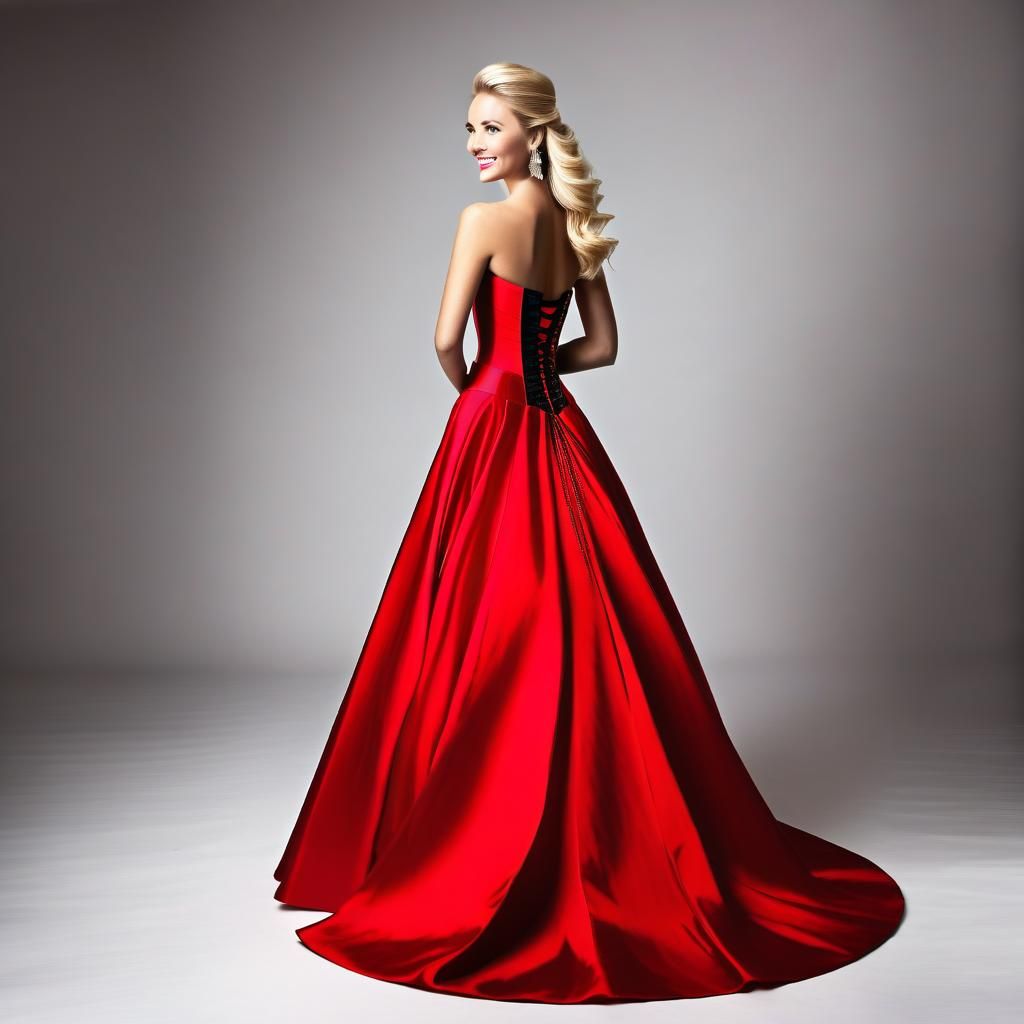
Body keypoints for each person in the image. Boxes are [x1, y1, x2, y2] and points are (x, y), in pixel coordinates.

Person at [272, 62, 905, 1004]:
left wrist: (489, 394)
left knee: (468, 620)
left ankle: (455, 827)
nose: (477, 144)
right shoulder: (575, 230)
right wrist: (538, 378)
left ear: (531, 132)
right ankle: (591, 815)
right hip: (556, 424)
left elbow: (446, 341)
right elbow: (601, 346)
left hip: (491, 421)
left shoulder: (480, 224)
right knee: (580, 611)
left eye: (490, 127)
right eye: (470, 128)